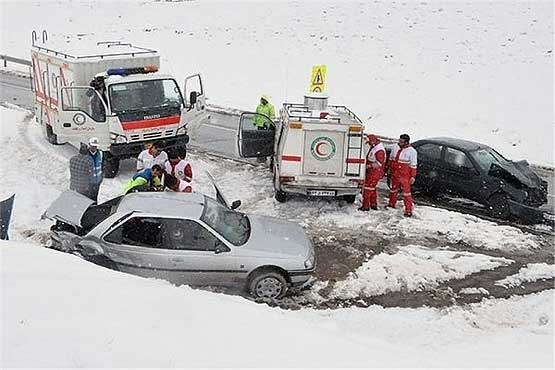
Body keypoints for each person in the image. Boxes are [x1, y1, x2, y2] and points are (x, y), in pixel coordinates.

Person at [386, 134, 418, 217]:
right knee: (393, 189)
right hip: (395, 173)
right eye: (399, 141)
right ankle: (391, 204)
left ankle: (408, 210)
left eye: (401, 142)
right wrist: (389, 168)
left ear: (406, 142)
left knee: (406, 193)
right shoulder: (395, 147)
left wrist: (413, 176)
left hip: (405, 175)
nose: (399, 143)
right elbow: (391, 158)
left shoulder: (412, 152)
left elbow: (413, 165)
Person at [358, 134, 386, 211]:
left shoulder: (379, 150)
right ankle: (373, 204)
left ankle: (365, 206)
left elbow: (379, 163)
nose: (369, 144)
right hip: (373, 172)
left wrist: (369, 166)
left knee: (367, 188)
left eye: (369, 142)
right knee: (372, 189)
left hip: (374, 172)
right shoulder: (375, 147)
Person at [87, 137, 103, 202]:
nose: (94, 147)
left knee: (95, 197)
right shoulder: (86, 155)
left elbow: (102, 165)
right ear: (89, 145)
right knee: (88, 199)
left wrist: (101, 177)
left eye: (95, 146)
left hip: (97, 181)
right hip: (89, 182)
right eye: (93, 146)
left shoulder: (100, 153)